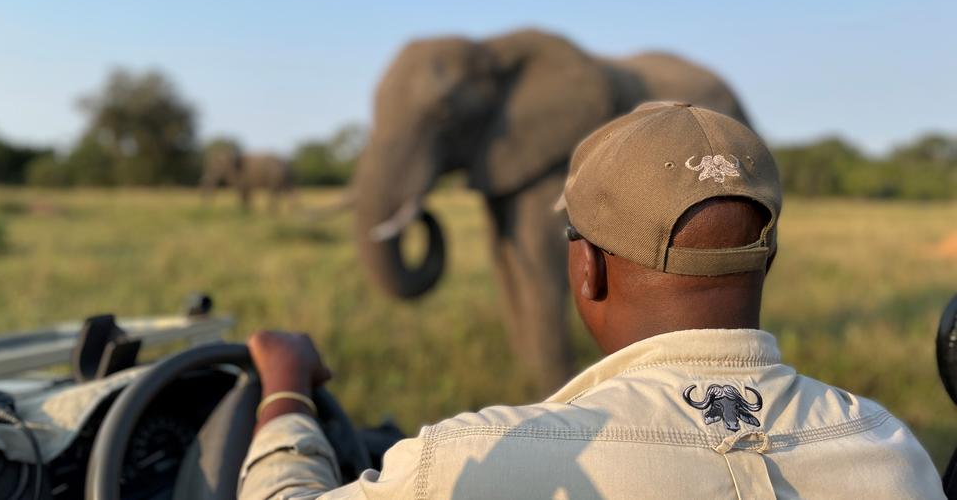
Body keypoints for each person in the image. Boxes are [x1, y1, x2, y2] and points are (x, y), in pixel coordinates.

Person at [238, 102, 944, 499]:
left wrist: (284, 395)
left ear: (586, 271)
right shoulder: (891, 451)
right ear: (767, 259)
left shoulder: (473, 462)